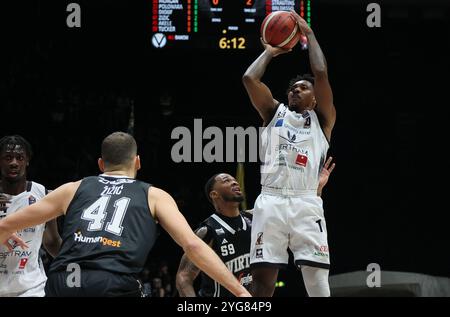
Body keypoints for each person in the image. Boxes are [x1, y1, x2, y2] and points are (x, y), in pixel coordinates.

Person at [0, 132, 251, 297]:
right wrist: (239, 292)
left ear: (100, 164)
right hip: (112, 282)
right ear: (138, 162)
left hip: (62, 281)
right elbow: (193, 245)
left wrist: (7, 233)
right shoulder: (154, 195)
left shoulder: (72, 188)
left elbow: (4, 226)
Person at [242, 11, 336, 297]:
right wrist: (270, 52)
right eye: (292, 88)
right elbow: (249, 78)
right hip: (269, 200)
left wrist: (309, 34)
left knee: (317, 280)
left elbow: (320, 73)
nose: (295, 90)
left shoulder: (322, 121)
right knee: (262, 283)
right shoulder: (274, 112)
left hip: (305, 201)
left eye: (303, 88)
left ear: (315, 98)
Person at [176, 159, 335, 297]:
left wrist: (316, 190)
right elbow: (184, 277)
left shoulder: (255, 218)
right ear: (214, 194)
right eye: (226, 180)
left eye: (234, 180)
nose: (234, 182)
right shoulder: (207, 230)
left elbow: (295, 211)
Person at [0, 135, 61, 297]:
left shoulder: (41, 193)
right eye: (8, 157)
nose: (14, 163)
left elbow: (52, 241)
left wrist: (78, 261)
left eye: (19, 158)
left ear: (27, 161)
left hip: (32, 288)